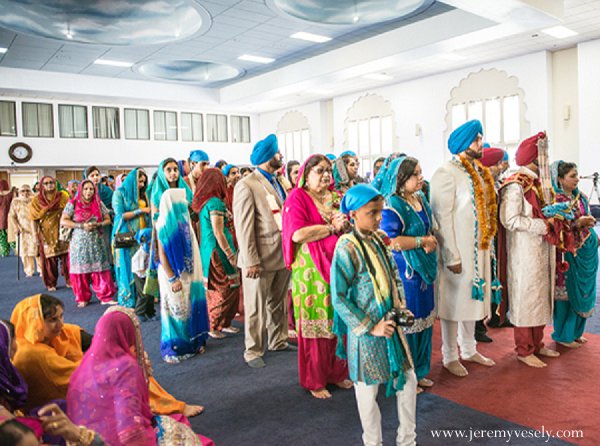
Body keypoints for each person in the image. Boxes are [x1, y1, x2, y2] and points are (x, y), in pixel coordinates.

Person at [331, 184, 417, 446]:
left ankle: (407, 441)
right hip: (367, 334)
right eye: (372, 212)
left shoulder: (379, 238)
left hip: (390, 326)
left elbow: (393, 276)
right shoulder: (345, 247)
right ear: (354, 213)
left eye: (380, 211)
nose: (379, 217)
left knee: (409, 381)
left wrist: (400, 306)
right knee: (367, 396)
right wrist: (371, 326)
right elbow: (339, 298)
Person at [67, 307, 213, 446]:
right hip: (119, 439)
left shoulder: (85, 364)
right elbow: (129, 430)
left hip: (85, 439)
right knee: (181, 434)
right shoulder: (125, 367)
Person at [430, 120, 496, 377]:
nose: (481, 143)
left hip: (477, 250)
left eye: (481, 138)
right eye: (477, 139)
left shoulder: (478, 171)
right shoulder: (446, 172)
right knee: (453, 302)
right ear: (462, 143)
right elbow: (441, 217)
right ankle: (449, 355)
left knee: (472, 299)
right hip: (456, 251)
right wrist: (451, 255)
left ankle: (469, 348)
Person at [282, 154, 351, 398]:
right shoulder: (297, 198)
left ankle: (337, 373)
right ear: (306, 175)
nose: (325, 175)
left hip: (336, 267)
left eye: (328, 170)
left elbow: (349, 224)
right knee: (314, 325)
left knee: (337, 322)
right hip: (310, 273)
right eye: (319, 170)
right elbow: (298, 235)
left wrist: (345, 223)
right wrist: (332, 227)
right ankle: (315, 380)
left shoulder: (336, 197)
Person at [498, 131, 560, 368]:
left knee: (540, 296)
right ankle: (524, 349)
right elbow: (509, 220)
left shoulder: (541, 184)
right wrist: (544, 225)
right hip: (524, 251)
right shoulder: (516, 185)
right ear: (535, 157)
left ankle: (538, 343)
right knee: (526, 297)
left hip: (542, 246)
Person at [233, 134, 293, 368]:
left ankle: (278, 340)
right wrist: (251, 261)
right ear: (269, 157)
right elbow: (244, 227)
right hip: (259, 258)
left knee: (278, 302)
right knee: (256, 306)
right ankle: (253, 350)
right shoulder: (246, 185)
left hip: (282, 254)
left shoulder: (280, 181)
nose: (282, 156)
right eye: (278, 153)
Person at [379, 156, 438, 392]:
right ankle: (405, 374)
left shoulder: (420, 198)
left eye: (421, 172)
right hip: (407, 271)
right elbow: (391, 240)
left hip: (425, 266)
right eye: (415, 174)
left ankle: (420, 370)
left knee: (425, 320)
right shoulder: (392, 205)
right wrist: (421, 241)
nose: (420, 177)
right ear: (401, 179)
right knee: (409, 322)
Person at [151, 158, 209, 363]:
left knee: (192, 301)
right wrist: (171, 275)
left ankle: (195, 341)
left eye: (176, 169)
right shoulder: (161, 202)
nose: (174, 173)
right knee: (176, 306)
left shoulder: (183, 198)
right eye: (169, 170)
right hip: (172, 266)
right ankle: (176, 346)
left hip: (190, 260)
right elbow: (162, 243)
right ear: (162, 173)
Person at [550, 161, 598, 348]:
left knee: (585, 291)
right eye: (572, 176)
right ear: (560, 179)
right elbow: (557, 226)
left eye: (577, 175)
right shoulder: (557, 200)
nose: (577, 179)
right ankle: (564, 335)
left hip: (587, 254)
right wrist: (578, 223)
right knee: (567, 294)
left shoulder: (581, 197)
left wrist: (587, 223)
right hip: (568, 255)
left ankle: (577, 332)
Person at [10, 295, 82, 411]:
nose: (61, 324)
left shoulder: (26, 336)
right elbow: (80, 376)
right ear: (35, 323)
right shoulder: (32, 354)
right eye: (53, 320)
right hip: (51, 415)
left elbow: (75, 333)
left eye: (61, 316)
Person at [192, 168, 241, 339]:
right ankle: (213, 325)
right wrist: (230, 254)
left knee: (228, 287)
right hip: (218, 251)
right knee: (224, 288)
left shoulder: (207, 202)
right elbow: (218, 232)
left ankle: (224, 323)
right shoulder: (215, 203)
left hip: (210, 249)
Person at [60, 180, 117, 307]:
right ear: (81, 190)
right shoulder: (73, 203)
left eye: (91, 189)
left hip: (97, 241)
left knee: (101, 269)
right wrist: (81, 225)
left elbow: (107, 219)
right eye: (85, 189)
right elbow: (64, 221)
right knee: (80, 271)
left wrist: (98, 224)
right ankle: (82, 297)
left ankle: (105, 296)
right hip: (79, 243)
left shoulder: (98, 203)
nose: (88, 192)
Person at [473, 147, 506, 342]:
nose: (500, 167)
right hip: (481, 240)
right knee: (482, 280)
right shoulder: (480, 186)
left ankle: (492, 317)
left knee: (492, 277)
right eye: (497, 164)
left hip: (492, 238)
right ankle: (477, 327)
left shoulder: (493, 184)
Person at [112, 168, 151, 308]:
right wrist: (141, 210)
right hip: (125, 234)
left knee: (141, 265)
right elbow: (120, 215)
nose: (141, 184)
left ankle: (143, 298)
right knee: (127, 267)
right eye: (139, 181)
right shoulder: (119, 193)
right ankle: (128, 299)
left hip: (142, 234)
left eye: (143, 182)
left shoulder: (143, 194)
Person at [29, 176, 70, 292]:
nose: (49, 185)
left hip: (63, 230)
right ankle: (51, 283)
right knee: (49, 260)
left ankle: (70, 280)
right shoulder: (36, 201)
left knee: (67, 257)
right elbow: (33, 219)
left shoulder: (63, 196)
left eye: (52, 183)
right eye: (46, 183)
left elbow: (70, 211)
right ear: (41, 186)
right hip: (46, 233)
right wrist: (34, 235)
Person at [8, 185, 38, 277]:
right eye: (23, 191)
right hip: (22, 230)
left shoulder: (35, 200)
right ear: (19, 192)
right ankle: (29, 270)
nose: (25, 193)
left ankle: (41, 270)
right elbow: (12, 216)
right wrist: (16, 227)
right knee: (24, 252)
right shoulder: (15, 201)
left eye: (27, 191)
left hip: (34, 230)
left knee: (37, 251)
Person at [131, 228, 157, 321]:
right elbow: (139, 268)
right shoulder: (140, 253)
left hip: (148, 274)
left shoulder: (151, 250)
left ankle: (150, 312)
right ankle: (139, 312)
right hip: (140, 275)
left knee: (151, 293)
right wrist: (147, 272)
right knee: (143, 293)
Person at [0, 180, 16, 257]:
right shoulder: (10, 195)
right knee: (12, 237)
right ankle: (17, 251)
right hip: (9, 220)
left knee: (2, 238)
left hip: (2, 221)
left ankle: (4, 252)